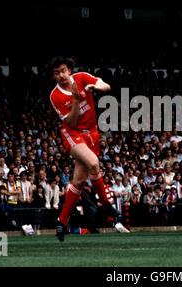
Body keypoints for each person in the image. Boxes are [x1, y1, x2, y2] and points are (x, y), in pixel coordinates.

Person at [48, 56, 129, 241]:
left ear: (69, 70)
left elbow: (106, 86)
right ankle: (107, 205)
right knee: (94, 163)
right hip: (73, 133)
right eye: (56, 73)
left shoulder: (82, 77)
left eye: (63, 70)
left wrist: (95, 87)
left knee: (79, 181)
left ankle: (61, 221)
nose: (60, 75)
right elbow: (71, 121)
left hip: (92, 132)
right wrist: (76, 99)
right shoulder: (55, 96)